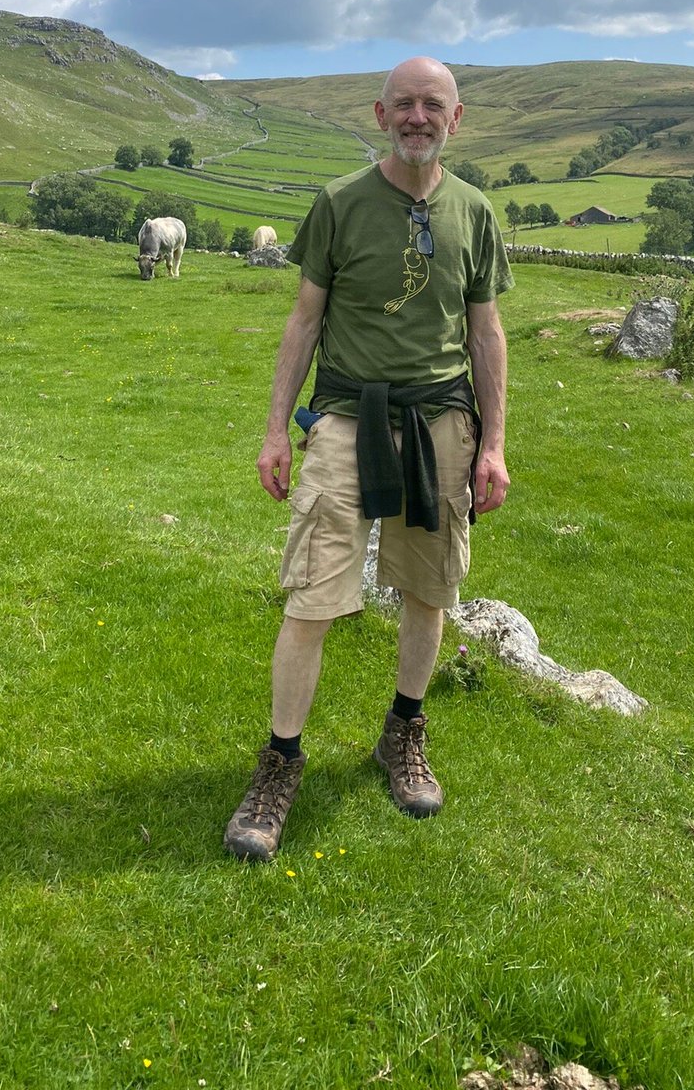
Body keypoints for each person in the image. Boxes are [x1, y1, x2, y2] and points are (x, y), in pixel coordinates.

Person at [224, 56, 513, 863]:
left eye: (434, 105)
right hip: (349, 415)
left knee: (429, 590)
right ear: (380, 114)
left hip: (443, 422)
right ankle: (280, 762)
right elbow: (304, 318)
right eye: (404, 105)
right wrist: (278, 429)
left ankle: (401, 735)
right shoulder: (340, 204)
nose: (418, 117)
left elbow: (485, 333)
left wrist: (492, 443)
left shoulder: (475, 212)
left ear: (456, 120)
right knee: (313, 595)